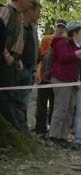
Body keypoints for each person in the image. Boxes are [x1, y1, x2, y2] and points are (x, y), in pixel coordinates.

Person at [48, 21, 81, 148]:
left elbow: (78, 66)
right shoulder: (62, 42)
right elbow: (63, 57)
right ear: (75, 32)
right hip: (60, 79)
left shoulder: (79, 47)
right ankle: (53, 136)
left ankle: (63, 137)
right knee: (61, 107)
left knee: (70, 109)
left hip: (72, 81)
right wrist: (79, 54)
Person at [0, 0, 34, 133]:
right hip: (4, 60)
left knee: (13, 97)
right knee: (6, 97)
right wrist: (5, 53)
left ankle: (15, 130)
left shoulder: (19, 15)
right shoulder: (6, 10)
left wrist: (17, 59)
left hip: (14, 60)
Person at [35, 19, 66, 138]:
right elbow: (41, 56)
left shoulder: (65, 42)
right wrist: (53, 50)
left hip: (57, 78)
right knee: (41, 105)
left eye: (62, 28)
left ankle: (52, 130)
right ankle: (40, 130)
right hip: (43, 76)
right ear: (55, 27)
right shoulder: (46, 39)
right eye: (58, 27)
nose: (60, 29)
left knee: (54, 105)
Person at [17, 0, 40, 137]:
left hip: (29, 70)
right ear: (30, 10)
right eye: (37, 11)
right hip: (18, 68)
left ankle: (24, 130)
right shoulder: (18, 26)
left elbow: (34, 52)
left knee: (26, 102)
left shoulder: (32, 30)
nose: (38, 15)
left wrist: (34, 70)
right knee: (18, 101)